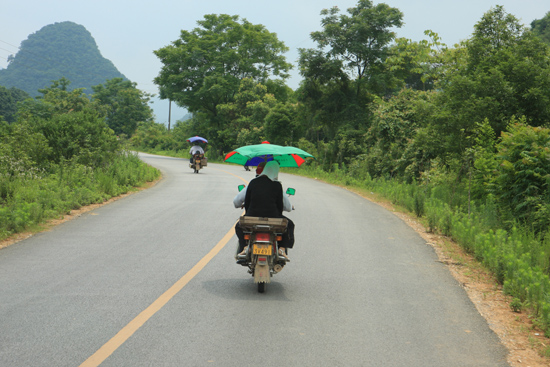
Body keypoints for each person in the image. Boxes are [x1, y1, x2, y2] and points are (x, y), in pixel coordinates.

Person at [233, 161, 295, 260]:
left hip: (252, 217)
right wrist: (277, 214)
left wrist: (249, 213)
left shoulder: (253, 182)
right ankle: (282, 249)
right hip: (273, 218)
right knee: (290, 225)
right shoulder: (277, 185)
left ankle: (245, 247)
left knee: (238, 226)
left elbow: (247, 202)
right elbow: (280, 205)